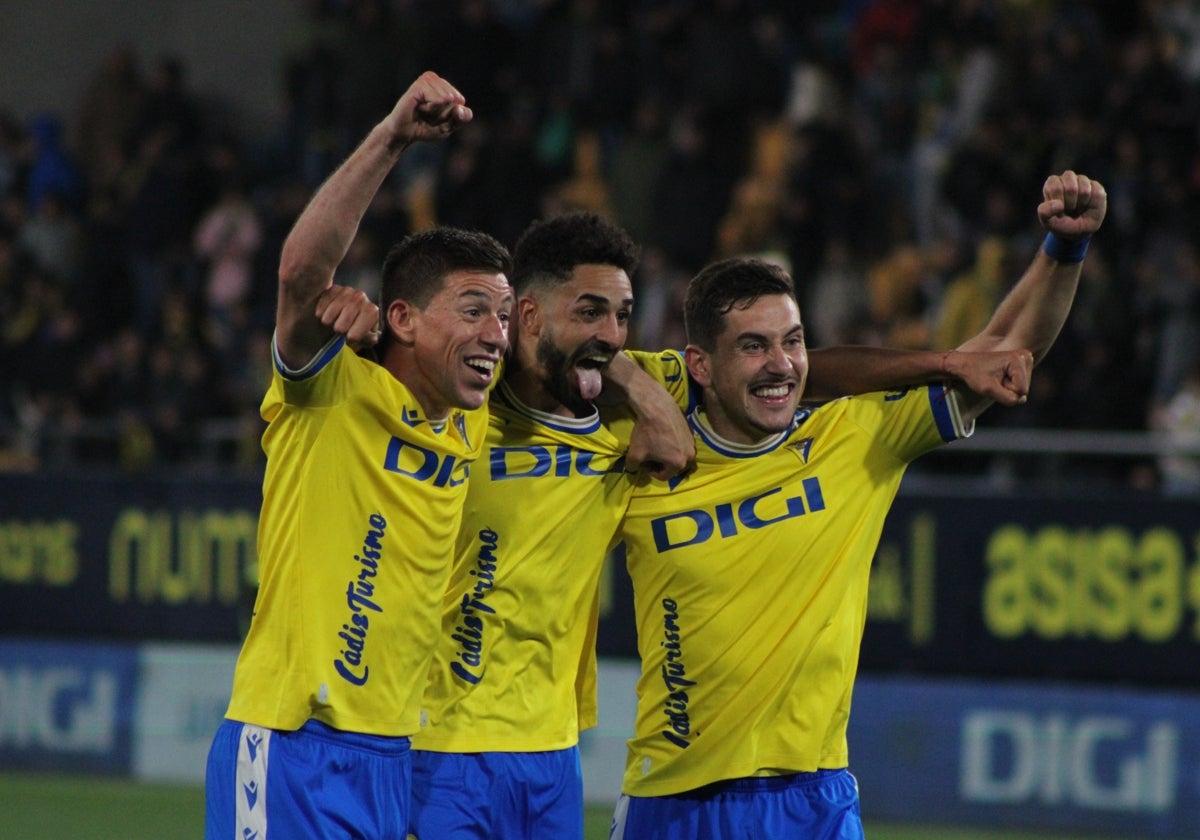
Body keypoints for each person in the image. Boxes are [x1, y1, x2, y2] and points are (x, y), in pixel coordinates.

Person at [404, 212, 1043, 840]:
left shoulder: (628, 398)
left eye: (622, 316)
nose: (612, 335)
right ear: (530, 317)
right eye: (591, 312)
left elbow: (795, 369)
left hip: (554, 753)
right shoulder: (456, 404)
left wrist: (950, 359)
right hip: (440, 740)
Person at [608, 170, 1106, 839]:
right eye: (753, 346)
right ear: (700, 365)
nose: (781, 364)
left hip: (814, 800)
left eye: (791, 340)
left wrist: (1063, 252)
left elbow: (1004, 352)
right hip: (676, 802)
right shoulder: (643, 462)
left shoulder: (855, 437)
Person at [204, 71, 514, 839]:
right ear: (403, 317)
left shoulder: (467, 424)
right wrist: (393, 138)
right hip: (292, 744)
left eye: (505, 317)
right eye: (473, 311)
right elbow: (300, 276)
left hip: (392, 756)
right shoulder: (329, 391)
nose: (496, 336)